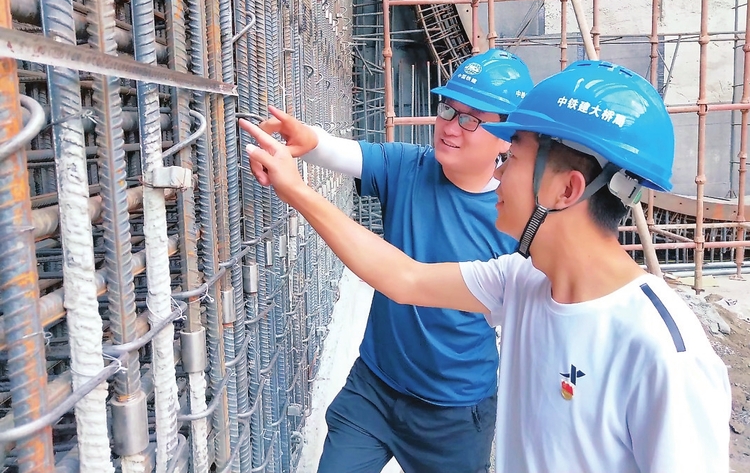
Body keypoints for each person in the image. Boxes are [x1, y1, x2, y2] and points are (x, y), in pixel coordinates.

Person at [244, 60, 732, 473]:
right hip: (377, 384)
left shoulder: (666, 356)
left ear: (566, 190)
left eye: (512, 157)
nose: (498, 174)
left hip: (455, 414)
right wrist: (296, 189)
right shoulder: (520, 283)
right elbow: (404, 277)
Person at [240, 49, 534, 473]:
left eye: (472, 119)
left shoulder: (513, 218)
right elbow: (343, 153)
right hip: (375, 386)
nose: (451, 127)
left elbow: (409, 280)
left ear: (508, 136)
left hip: (453, 412)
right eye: (447, 110)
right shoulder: (410, 167)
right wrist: (308, 139)